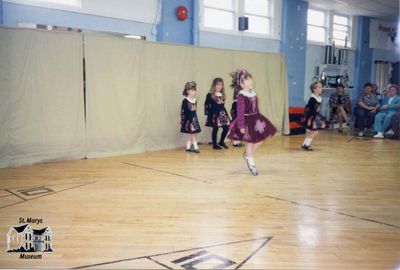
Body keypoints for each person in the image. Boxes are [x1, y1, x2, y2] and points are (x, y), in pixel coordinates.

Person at [228, 69, 276, 176]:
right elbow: (240, 112)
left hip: (255, 119)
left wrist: (259, 119)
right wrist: (241, 126)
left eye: (250, 79)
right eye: (247, 80)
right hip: (246, 121)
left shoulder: (253, 93)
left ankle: (247, 154)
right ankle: (251, 164)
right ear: (242, 84)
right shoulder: (241, 95)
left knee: (260, 140)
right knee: (250, 143)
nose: (250, 81)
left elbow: (256, 107)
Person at [204, 78, 230, 149]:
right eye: (218, 85)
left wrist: (225, 114)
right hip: (214, 114)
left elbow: (222, 106)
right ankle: (214, 144)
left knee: (226, 128)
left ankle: (221, 141)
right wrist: (209, 114)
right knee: (215, 128)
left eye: (221, 85)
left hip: (222, 114)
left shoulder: (222, 95)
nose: (220, 86)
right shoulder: (210, 95)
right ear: (214, 85)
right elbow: (206, 104)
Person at [302, 82, 327, 151]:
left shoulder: (319, 98)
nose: (321, 88)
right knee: (314, 132)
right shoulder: (312, 99)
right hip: (312, 117)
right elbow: (309, 108)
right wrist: (312, 118)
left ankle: (305, 145)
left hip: (315, 116)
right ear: (314, 89)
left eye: (321, 87)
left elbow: (317, 108)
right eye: (319, 87)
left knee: (312, 132)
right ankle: (306, 145)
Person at [180, 81, 201, 153]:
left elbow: (194, 110)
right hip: (188, 119)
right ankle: (196, 147)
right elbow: (183, 110)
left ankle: (188, 147)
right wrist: (183, 119)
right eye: (192, 90)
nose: (194, 92)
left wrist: (193, 110)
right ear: (188, 91)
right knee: (192, 134)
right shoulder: (185, 100)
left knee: (191, 134)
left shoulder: (195, 100)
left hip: (194, 119)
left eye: (194, 90)